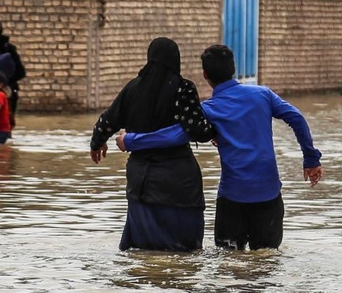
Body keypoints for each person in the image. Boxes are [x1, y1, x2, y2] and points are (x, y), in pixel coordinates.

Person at [121, 44, 323, 250]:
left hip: (232, 199)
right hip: (268, 196)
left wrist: (130, 140)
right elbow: (296, 118)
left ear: (205, 74)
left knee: (228, 263)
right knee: (266, 262)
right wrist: (311, 159)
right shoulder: (262, 95)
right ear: (233, 69)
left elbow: (175, 135)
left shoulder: (208, 109)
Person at [89, 37, 216, 251]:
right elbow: (199, 131)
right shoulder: (183, 89)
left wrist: (96, 143)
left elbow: (107, 120)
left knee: (143, 252)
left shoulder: (133, 88)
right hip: (179, 183)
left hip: (143, 183)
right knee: (184, 254)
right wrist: (215, 130)